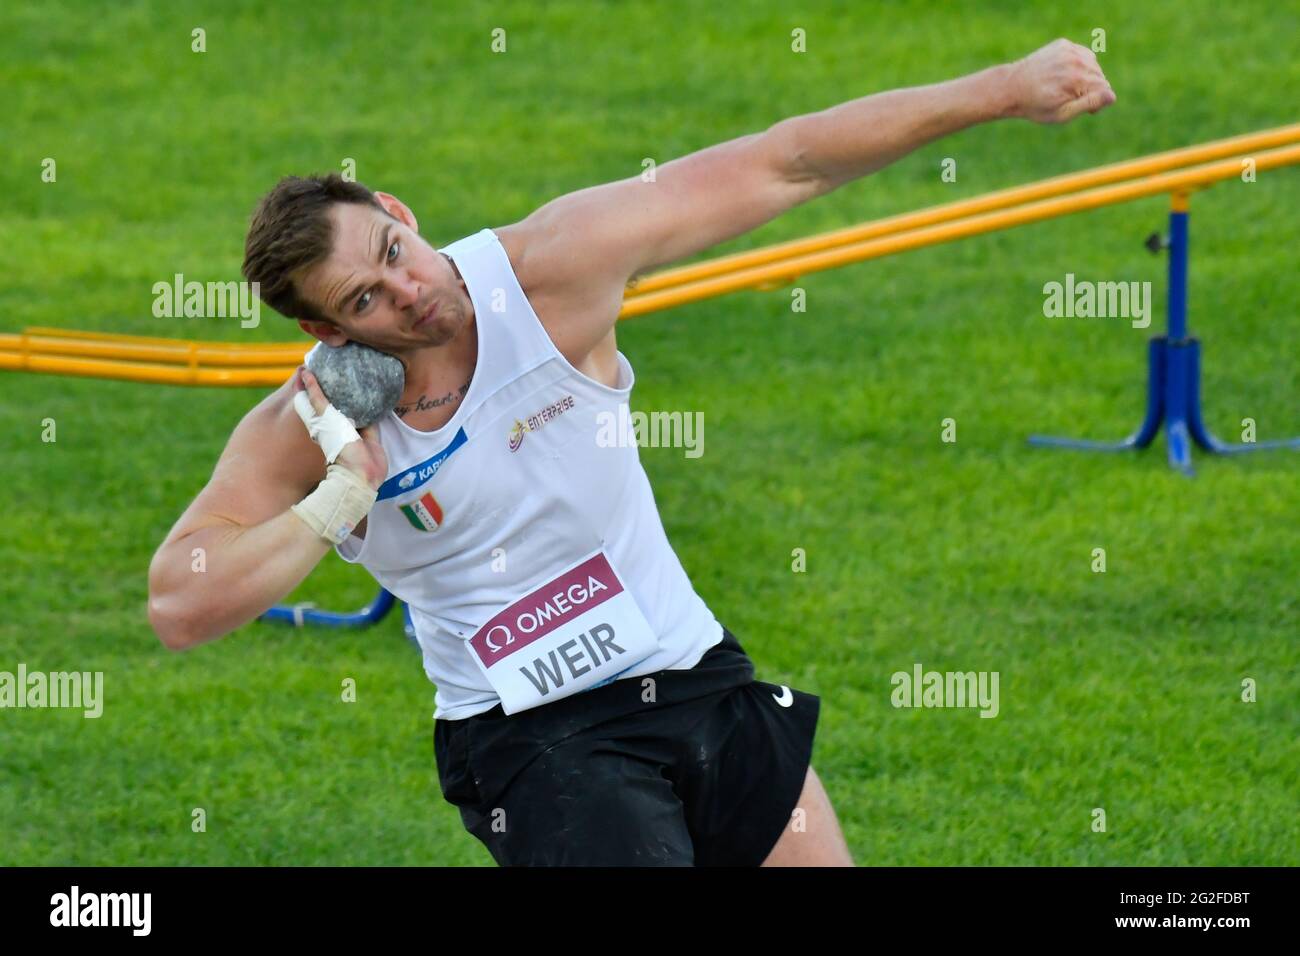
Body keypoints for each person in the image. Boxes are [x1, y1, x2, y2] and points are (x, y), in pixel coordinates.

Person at [147, 38, 1114, 866]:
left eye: (392, 255)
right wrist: (341, 496)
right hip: (531, 741)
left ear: (399, 212)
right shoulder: (309, 429)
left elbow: (786, 161)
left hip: (693, 670)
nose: (405, 294)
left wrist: (1004, 89)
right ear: (326, 330)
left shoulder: (552, 271)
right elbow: (180, 603)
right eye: (364, 300)